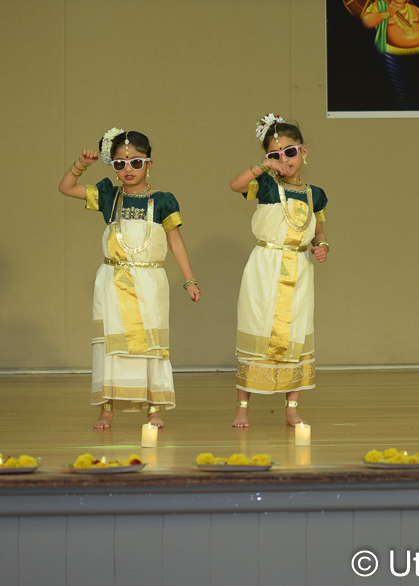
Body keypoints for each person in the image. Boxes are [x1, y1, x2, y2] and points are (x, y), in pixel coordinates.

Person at [58, 127, 202, 430]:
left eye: (136, 162)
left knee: (151, 345)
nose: (128, 169)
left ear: (149, 163)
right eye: (120, 163)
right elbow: (66, 187)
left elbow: (175, 241)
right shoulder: (109, 196)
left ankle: (155, 409)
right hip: (112, 281)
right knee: (110, 346)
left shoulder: (163, 201)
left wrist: (189, 280)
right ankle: (107, 409)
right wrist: (81, 164)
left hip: (150, 282)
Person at [230, 114, 329, 428]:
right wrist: (264, 166)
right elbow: (235, 184)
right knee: (258, 327)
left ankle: (292, 407)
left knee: (295, 331)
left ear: (303, 152)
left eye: (290, 151)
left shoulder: (316, 194)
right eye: (275, 154)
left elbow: (319, 231)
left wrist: (323, 246)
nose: (284, 159)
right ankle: (243, 408)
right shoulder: (266, 185)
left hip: (299, 269)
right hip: (266, 268)